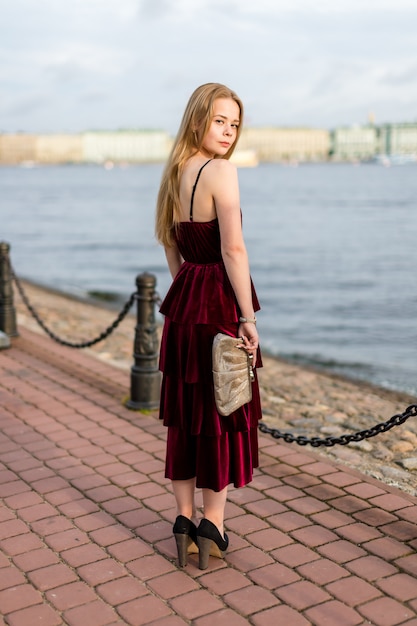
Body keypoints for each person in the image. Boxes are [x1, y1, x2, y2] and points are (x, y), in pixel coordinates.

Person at [155, 82, 262, 570]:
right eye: (220, 120)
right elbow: (233, 249)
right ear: (198, 119)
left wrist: (187, 290)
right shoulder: (221, 171)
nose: (228, 131)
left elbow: (170, 244)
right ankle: (212, 525)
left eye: (234, 123)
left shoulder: (174, 172)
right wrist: (247, 317)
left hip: (183, 307)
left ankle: (182, 519)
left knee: (184, 415)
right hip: (217, 303)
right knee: (220, 413)